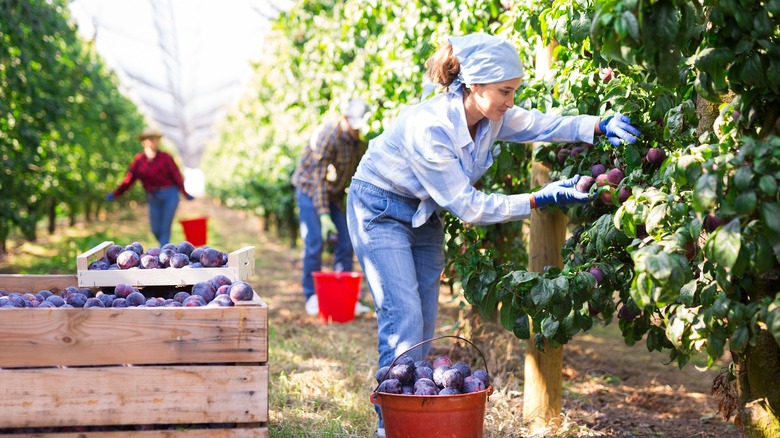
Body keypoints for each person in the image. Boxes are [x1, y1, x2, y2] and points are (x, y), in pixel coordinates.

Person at [345, 33, 641, 437]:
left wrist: (598, 125)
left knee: (423, 325)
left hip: (421, 212)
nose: (511, 100)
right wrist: (539, 199)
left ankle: (411, 419)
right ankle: (391, 429)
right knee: (404, 320)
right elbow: (469, 207)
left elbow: (541, 122)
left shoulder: (492, 116)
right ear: (476, 85)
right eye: (505, 91)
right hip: (378, 208)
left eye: (514, 91)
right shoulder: (430, 128)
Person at [291, 98, 373, 316]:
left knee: (346, 243)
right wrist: (324, 216)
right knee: (314, 241)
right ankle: (311, 296)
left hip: (335, 193)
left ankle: (345, 296)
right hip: (310, 190)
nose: (358, 131)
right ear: (345, 118)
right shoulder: (328, 136)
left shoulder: (361, 140)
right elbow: (318, 180)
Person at [105, 128, 194, 247]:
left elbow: (177, 176)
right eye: (150, 139)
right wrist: (116, 193)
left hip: (169, 195)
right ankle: (167, 248)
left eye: (155, 139)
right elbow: (129, 180)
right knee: (155, 229)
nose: (153, 142)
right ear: (144, 142)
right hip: (153, 197)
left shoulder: (166, 157)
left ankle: (164, 255)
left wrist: (185, 193)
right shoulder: (139, 161)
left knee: (165, 228)